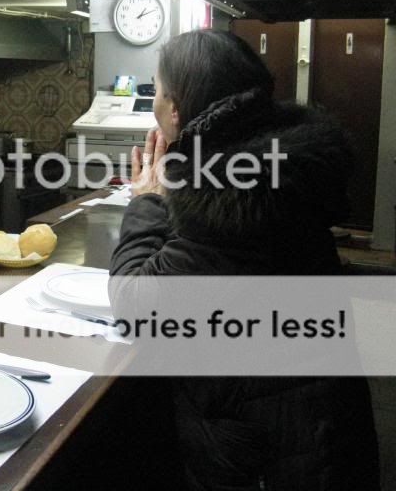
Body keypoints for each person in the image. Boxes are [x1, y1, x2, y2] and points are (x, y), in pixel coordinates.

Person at [109, 30, 380, 490]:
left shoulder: (229, 203)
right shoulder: (277, 164)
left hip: (270, 454)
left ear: (175, 111)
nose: (153, 103)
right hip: (323, 422)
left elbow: (135, 305)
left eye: (157, 91)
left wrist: (148, 201)